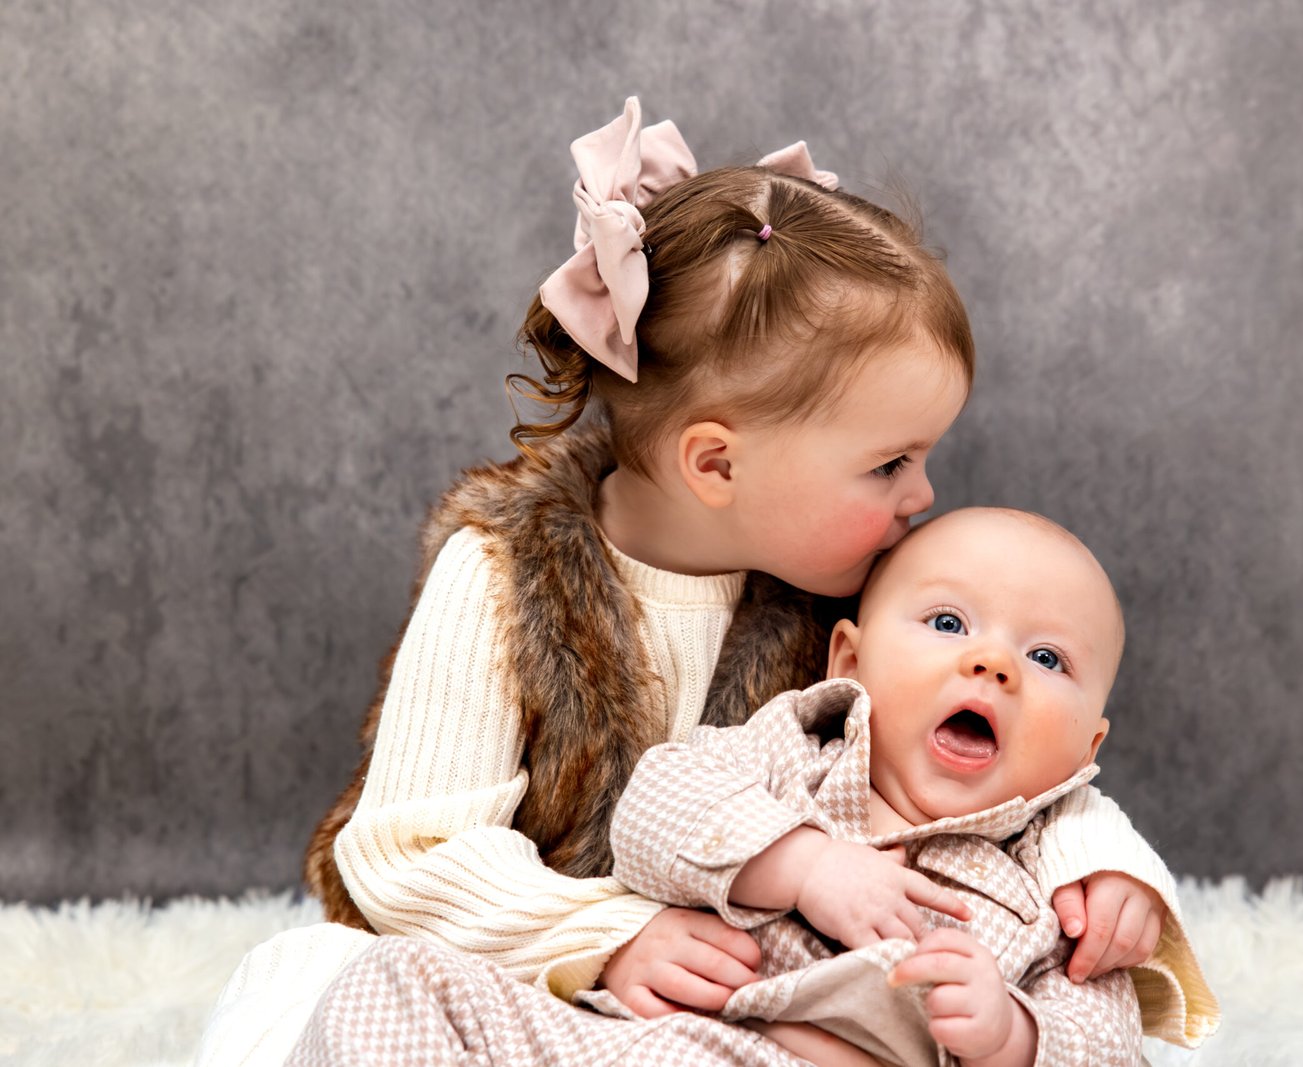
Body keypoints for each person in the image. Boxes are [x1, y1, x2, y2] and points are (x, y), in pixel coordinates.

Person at [197, 98, 1188, 1066]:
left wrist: (1112, 878)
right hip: (554, 971)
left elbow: (1017, 772)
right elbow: (408, 854)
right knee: (332, 978)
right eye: (889, 463)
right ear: (716, 465)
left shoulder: (861, 588)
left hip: (783, 1008)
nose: (921, 496)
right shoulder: (507, 574)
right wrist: (610, 934)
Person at [284, 509, 1217, 1066]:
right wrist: (803, 862)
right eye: (946, 620)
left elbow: (1108, 1038)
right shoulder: (800, 747)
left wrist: (1011, 1035)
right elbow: (655, 807)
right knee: (397, 981)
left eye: (1046, 655)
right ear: (848, 656)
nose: (992, 663)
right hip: (663, 1045)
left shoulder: (1056, 885)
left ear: (1088, 744)